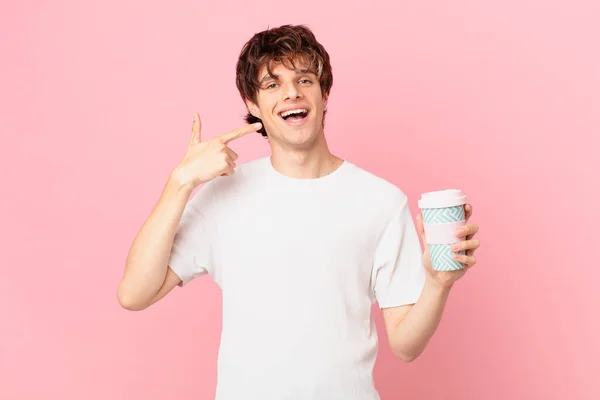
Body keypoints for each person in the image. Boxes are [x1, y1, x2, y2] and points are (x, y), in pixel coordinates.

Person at [118, 24, 480, 400]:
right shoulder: (222, 196)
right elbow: (134, 294)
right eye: (273, 84)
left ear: (323, 93)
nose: (292, 92)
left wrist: (439, 283)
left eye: (304, 79)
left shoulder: (381, 200)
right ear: (253, 105)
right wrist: (181, 181)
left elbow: (406, 346)